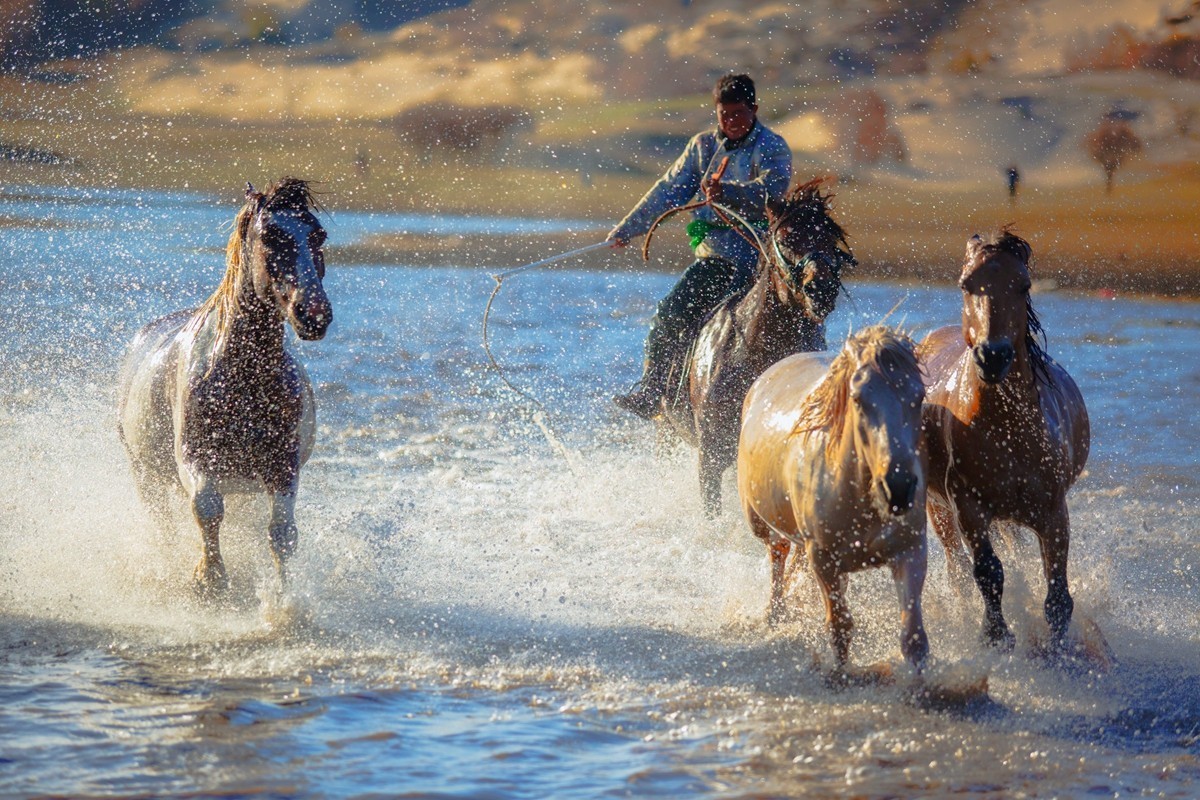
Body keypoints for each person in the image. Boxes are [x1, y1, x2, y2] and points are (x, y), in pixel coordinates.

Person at [608, 73, 793, 420]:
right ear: (716, 112)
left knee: (797, 320)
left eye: (740, 114)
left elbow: (775, 193)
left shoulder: (773, 147)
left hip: (761, 263)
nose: (732, 122)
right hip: (715, 260)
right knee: (668, 315)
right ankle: (653, 389)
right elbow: (669, 190)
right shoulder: (702, 147)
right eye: (725, 115)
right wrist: (630, 227)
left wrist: (733, 194)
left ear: (754, 109)